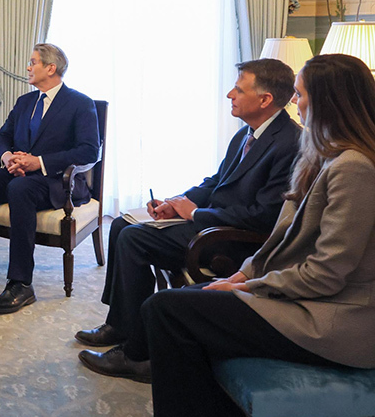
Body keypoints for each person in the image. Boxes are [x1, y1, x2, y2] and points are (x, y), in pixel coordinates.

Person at [141, 53, 375, 417]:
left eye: (299, 95)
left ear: (328, 100)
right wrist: (244, 274)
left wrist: (247, 289)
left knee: (166, 309)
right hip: (302, 297)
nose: (294, 103)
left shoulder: (354, 168)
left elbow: (327, 273)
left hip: (332, 318)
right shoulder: (322, 155)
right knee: (186, 296)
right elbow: (279, 241)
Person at [76, 58, 301, 373]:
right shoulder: (247, 133)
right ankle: (121, 324)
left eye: (238, 89)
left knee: (134, 238)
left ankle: (138, 355)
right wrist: (177, 202)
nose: (229, 95)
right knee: (123, 224)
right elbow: (215, 182)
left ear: (264, 100)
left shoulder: (290, 144)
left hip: (230, 238)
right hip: (213, 221)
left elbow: (264, 217)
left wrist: (195, 213)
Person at [0, 43, 100, 314]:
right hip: (21, 174)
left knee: (20, 188)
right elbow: (1, 137)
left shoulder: (80, 103)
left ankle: (21, 283)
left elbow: (89, 150)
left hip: (58, 181)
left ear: (50, 68)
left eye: (32, 62)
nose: (28, 67)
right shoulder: (25, 102)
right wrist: (9, 157)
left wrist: (39, 162)